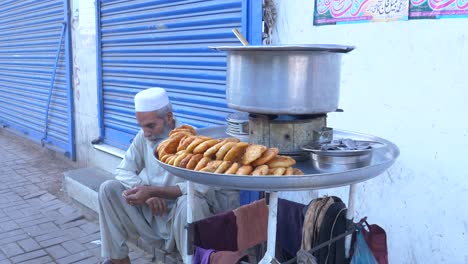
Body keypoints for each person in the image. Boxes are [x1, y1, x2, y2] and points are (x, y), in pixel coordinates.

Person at [98, 88, 217, 264]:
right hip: (152, 216)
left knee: (190, 203)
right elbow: (123, 170)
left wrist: (156, 191)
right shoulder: (143, 138)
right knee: (108, 189)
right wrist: (146, 193)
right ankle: (118, 260)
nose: (146, 133)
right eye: (142, 127)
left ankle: (192, 261)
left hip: (180, 218)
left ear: (169, 117)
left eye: (150, 126)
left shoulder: (193, 141)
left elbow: (202, 187)